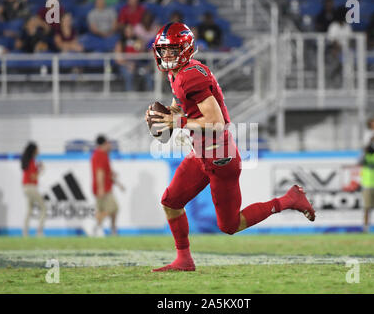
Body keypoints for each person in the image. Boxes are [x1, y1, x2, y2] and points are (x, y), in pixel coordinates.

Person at [146, 22, 315, 272]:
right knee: (171, 201)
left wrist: (178, 121)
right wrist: (169, 114)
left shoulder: (189, 75)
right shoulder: (178, 73)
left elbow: (216, 122)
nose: (166, 55)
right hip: (201, 152)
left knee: (230, 226)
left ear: (185, 49)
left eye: (172, 50)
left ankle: (289, 199)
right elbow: (180, 103)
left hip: (219, 156)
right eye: (164, 50)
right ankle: (184, 259)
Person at [91, 135, 122, 236]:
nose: (110, 145)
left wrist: (118, 184)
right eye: (108, 143)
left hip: (104, 187)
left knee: (108, 210)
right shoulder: (101, 155)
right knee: (113, 208)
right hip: (104, 189)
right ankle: (96, 227)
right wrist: (101, 188)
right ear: (104, 144)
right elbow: (99, 172)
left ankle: (109, 229)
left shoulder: (99, 155)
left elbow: (106, 173)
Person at [21, 142, 47, 237]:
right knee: (44, 208)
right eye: (37, 149)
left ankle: (25, 232)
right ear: (34, 150)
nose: (39, 151)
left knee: (29, 209)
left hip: (26, 187)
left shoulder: (28, 161)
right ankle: (39, 232)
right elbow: (33, 177)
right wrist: (41, 170)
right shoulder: (31, 161)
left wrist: (38, 168)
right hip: (31, 187)